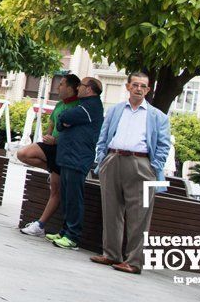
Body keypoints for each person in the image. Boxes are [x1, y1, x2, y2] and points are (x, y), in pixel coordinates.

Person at [90, 71, 171, 274]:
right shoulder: (116, 110)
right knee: (111, 208)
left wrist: (154, 167)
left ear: (148, 89)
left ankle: (134, 261)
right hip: (113, 159)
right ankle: (111, 254)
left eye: (143, 86)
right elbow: (104, 135)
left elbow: (163, 145)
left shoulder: (157, 116)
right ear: (127, 87)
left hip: (141, 164)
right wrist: (102, 158)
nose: (139, 89)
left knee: (140, 214)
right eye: (135, 84)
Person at [43, 77, 105, 250]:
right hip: (69, 156)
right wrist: (64, 122)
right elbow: (61, 124)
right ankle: (64, 232)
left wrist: (64, 120)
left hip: (78, 158)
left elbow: (65, 116)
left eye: (82, 85)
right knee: (67, 196)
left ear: (90, 89)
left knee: (74, 198)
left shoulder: (91, 106)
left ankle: (72, 236)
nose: (78, 88)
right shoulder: (83, 104)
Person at [18, 73, 81, 236]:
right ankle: (51, 168)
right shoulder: (60, 104)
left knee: (56, 191)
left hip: (65, 150)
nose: (58, 87)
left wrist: (56, 140)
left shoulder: (79, 106)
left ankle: (40, 225)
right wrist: (47, 137)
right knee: (24, 153)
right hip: (52, 147)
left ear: (71, 88)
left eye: (61, 84)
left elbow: (75, 133)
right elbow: (51, 123)